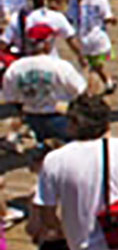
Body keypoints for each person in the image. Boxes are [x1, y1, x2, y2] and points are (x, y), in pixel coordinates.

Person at [2, 21, 86, 155]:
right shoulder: (60, 66)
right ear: (48, 43)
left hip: (31, 118)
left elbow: (11, 98)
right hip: (58, 116)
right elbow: (81, 91)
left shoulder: (15, 69)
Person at [66, 0, 117, 94]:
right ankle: (90, 92)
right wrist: (112, 20)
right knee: (94, 68)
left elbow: (70, 18)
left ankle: (108, 82)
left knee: (94, 64)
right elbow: (106, 17)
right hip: (97, 37)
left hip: (81, 39)